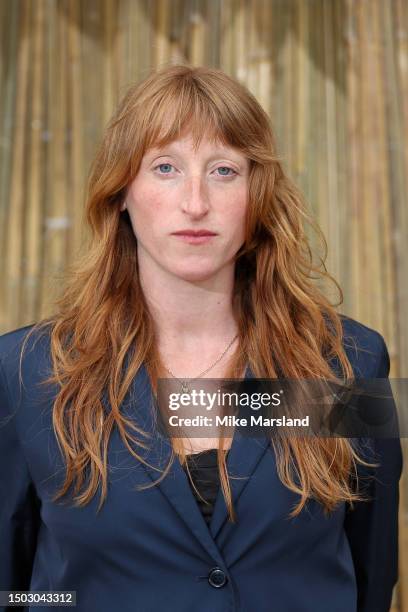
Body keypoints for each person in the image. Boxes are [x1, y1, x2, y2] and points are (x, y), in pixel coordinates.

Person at [0, 64, 402, 612]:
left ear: (257, 195)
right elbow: (13, 584)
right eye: (165, 167)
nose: (195, 202)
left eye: (224, 171)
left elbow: (368, 573)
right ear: (122, 192)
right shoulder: (26, 370)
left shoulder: (347, 360)